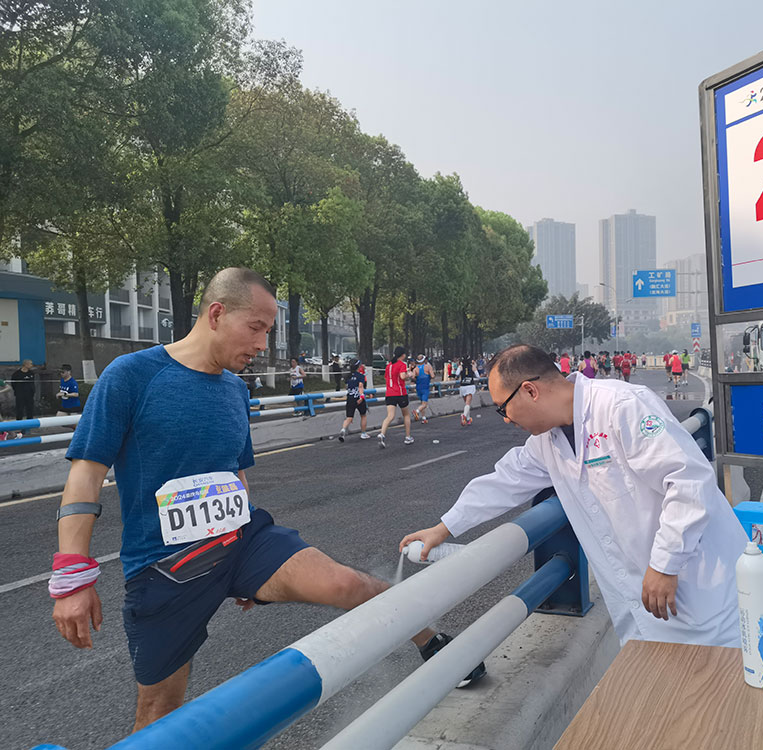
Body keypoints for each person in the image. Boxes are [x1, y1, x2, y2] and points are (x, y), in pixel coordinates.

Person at [50, 268, 483, 732]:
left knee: (346, 583)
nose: (262, 344)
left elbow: (235, 475)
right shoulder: (131, 376)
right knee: (159, 714)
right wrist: (72, 577)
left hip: (242, 543)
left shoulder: (235, 390)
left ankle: (434, 643)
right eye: (255, 328)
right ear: (216, 314)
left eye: (268, 332)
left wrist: (247, 564)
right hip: (166, 567)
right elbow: (86, 475)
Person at [401, 344, 763, 650]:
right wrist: (444, 527)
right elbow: (504, 481)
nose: (505, 419)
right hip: (641, 605)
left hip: (702, 590)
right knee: (673, 708)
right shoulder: (548, 441)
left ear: (530, 390)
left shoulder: (621, 406)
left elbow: (687, 479)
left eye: (504, 408)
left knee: (749, 694)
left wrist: (666, 564)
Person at [378, 346, 413, 447]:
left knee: (390, 416)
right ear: (403, 355)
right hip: (400, 393)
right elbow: (402, 376)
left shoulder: (389, 365)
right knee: (406, 415)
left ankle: (382, 434)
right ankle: (408, 437)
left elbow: (387, 378)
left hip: (389, 393)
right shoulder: (402, 364)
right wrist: (409, 374)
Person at [339, 359, 371, 441]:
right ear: (358, 366)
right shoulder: (360, 376)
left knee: (349, 417)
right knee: (363, 415)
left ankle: (343, 429)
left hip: (350, 398)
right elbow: (360, 386)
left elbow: (347, 387)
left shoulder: (347, 376)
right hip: (358, 398)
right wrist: (362, 396)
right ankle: (363, 433)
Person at [411, 354, 435, 425]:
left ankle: (424, 418)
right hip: (425, 387)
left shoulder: (415, 369)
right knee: (424, 404)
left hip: (418, 387)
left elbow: (413, 377)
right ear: (424, 360)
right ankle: (416, 411)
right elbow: (432, 376)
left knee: (422, 403)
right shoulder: (428, 367)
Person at [457, 356, 480, 426]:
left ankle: (468, 419)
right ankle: (464, 415)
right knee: (468, 404)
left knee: (466, 404)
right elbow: (478, 376)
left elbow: (457, 374)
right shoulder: (472, 367)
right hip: (470, 386)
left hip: (463, 386)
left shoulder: (460, 367)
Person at [11, 359, 35, 423]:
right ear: (26, 364)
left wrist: (32, 390)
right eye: (30, 364)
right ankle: (19, 422)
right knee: (19, 409)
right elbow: (13, 384)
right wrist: (17, 391)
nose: (32, 365)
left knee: (30, 408)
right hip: (20, 394)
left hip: (29, 394)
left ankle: (30, 422)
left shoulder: (31, 373)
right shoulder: (16, 374)